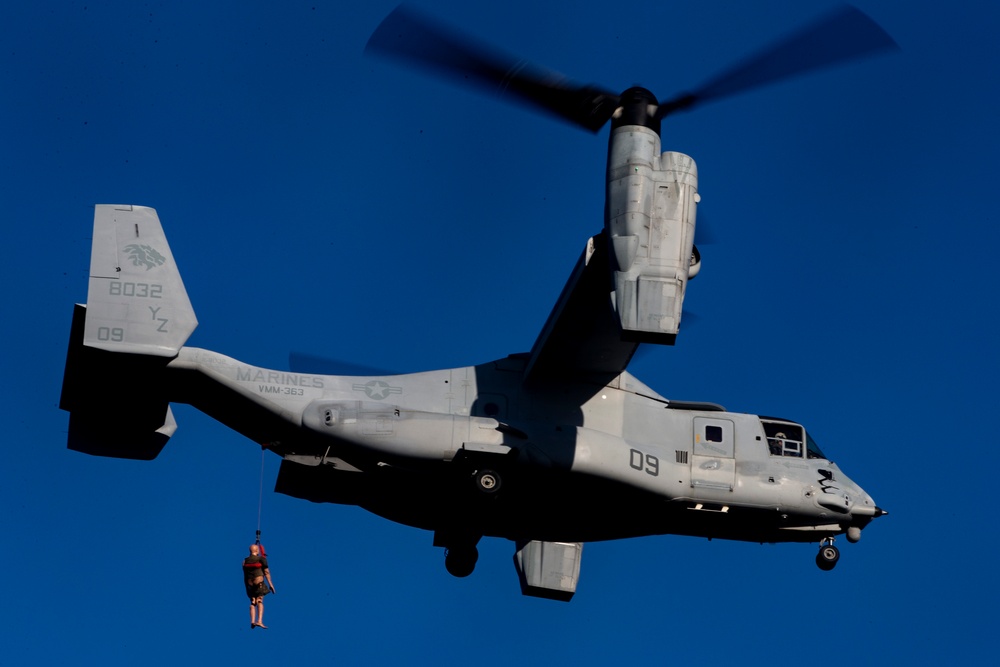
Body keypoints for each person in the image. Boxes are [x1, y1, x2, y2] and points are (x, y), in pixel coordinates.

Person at [242, 543, 276, 629]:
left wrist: (246, 587)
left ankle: (252, 621)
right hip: (259, 583)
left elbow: (245, 575)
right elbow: (266, 572)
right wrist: (271, 584)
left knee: (253, 602)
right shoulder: (261, 559)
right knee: (259, 601)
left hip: (249, 584)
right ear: (257, 551)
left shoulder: (245, 561)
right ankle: (259, 621)